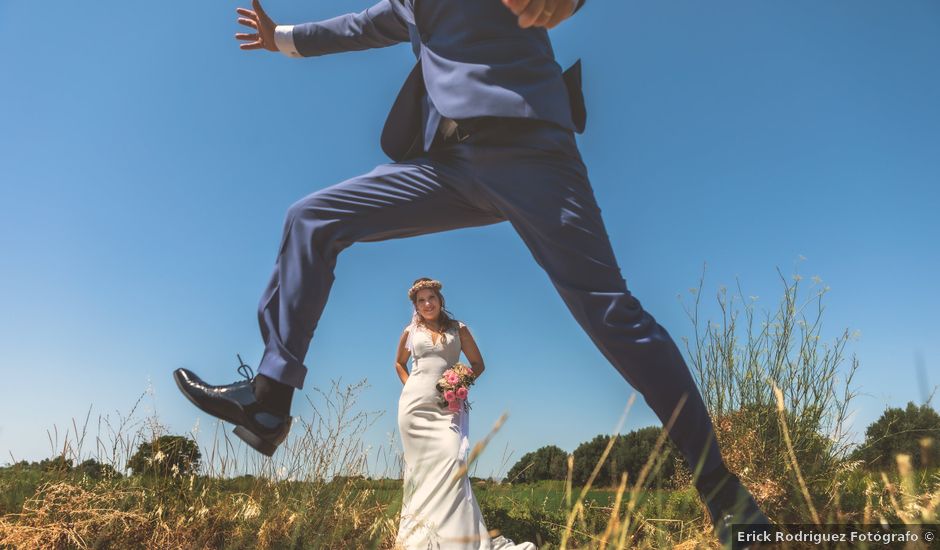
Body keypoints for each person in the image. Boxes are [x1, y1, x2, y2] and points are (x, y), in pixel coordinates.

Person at [172, 0, 770, 544]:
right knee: (310, 218)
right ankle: (269, 400)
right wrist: (279, 37)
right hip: (449, 168)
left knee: (610, 311)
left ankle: (722, 493)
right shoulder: (406, 6)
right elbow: (349, 29)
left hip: (532, 151)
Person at [394, 278, 534, 549]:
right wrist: (410, 384)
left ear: (440, 299)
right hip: (413, 409)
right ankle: (424, 537)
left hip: (448, 408)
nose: (427, 304)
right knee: (420, 471)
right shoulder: (410, 331)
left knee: (452, 460)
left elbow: (478, 364)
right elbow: (399, 363)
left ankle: (457, 537)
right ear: (416, 305)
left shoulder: (459, 330)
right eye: (421, 300)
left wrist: (460, 381)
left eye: (431, 298)